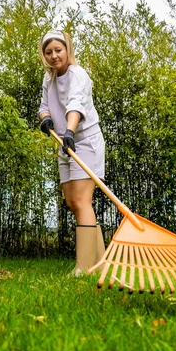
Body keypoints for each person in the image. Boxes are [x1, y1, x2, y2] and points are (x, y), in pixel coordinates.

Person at [37, 29, 106, 276]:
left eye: (58, 50)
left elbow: (76, 104)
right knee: (71, 202)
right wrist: (45, 119)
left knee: (81, 200)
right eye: (49, 52)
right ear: (44, 55)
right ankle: (100, 262)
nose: (54, 56)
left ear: (67, 50)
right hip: (64, 141)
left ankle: (84, 266)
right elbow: (44, 106)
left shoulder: (79, 74)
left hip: (84, 140)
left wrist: (69, 130)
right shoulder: (49, 79)